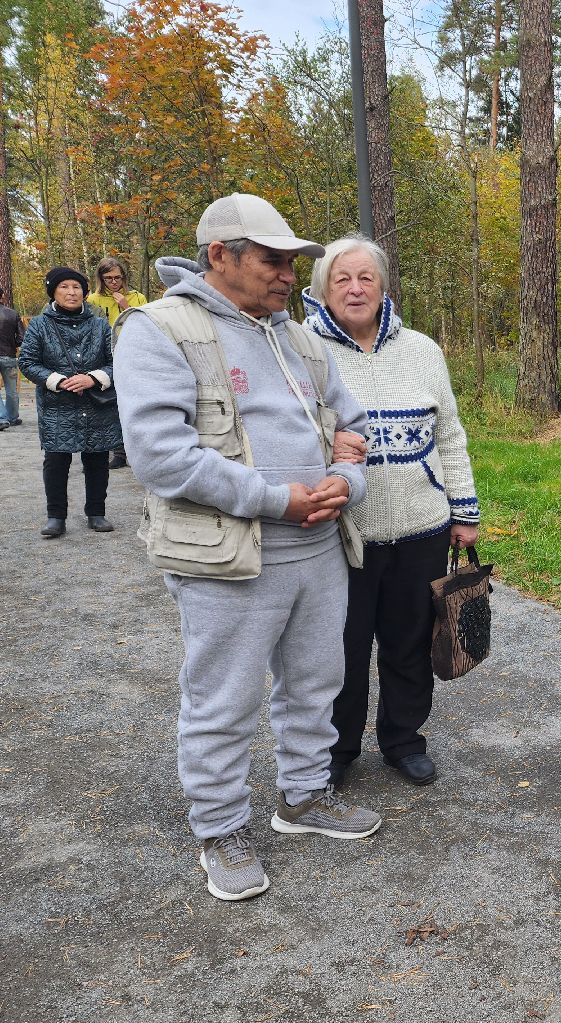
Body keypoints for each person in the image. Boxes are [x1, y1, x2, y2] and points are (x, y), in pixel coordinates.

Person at [114, 193, 382, 902]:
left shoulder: (299, 339)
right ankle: (221, 829)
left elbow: (356, 429)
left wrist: (346, 482)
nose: (290, 275)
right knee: (222, 700)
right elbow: (162, 458)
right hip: (228, 558)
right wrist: (278, 499)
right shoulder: (160, 330)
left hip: (319, 551)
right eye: (273, 260)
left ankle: (304, 795)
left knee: (317, 683)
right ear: (219, 256)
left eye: (293, 262)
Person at [301, 234, 480, 788]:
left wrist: (464, 510)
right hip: (341, 534)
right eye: (342, 279)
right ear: (323, 290)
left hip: (421, 528)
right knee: (342, 649)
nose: (355, 289)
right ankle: (338, 748)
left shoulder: (423, 350)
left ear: (383, 287)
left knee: (408, 644)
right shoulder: (301, 349)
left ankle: (403, 739)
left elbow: (450, 435)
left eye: (367, 278)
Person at [18, 267, 122, 536]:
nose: (71, 292)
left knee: (97, 459)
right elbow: (27, 362)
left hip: (95, 403)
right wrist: (58, 380)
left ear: (84, 293)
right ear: (53, 291)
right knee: (56, 460)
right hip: (56, 405)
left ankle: (96, 513)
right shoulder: (40, 325)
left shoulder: (100, 325)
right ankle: (56, 517)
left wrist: (93, 378)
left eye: (76, 287)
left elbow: (117, 362)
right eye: (64, 287)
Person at [88, 257, 149, 468]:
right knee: (109, 405)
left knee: (132, 404)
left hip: (132, 356)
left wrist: (125, 306)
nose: (114, 282)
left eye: (117, 277)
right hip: (105, 359)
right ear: (101, 279)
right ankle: (117, 452)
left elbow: (146, 325)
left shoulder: (137, 297)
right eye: (108, 278)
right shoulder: (93, 300)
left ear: (124, 277)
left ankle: (135, 451)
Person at [0, 289, 22, 431]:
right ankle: (12, 417)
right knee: (11, 389)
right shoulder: (13, 314)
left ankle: (1, 418)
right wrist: (12, 344)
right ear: (2, 296)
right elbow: (21, 338)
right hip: (9, 356)